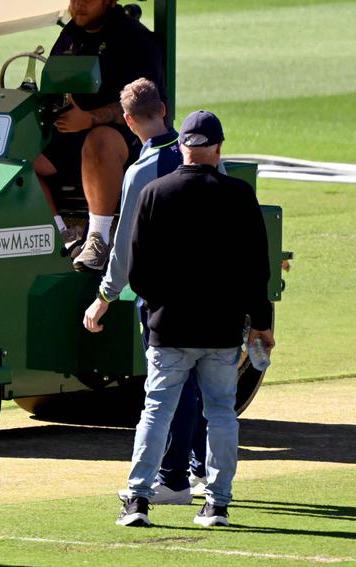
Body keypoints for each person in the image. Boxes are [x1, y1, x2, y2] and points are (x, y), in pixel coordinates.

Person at [115, 110, 274, 528]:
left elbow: (137, 273)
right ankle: (217, 504)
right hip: (221, 330)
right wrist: (261, 322)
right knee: (221, 413)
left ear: (183, 147)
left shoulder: (154, 192)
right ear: (218, 148)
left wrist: (160, 305)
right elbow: (257, 270)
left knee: (156, 411)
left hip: (168, 327)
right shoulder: (239, 196)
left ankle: (138, 500)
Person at [83, 78, 205, 506]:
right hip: (210, 290)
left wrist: (105, 296)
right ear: (165, 110)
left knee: (172, 387)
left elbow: (124, 245)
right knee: (203, 384)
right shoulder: (202, 157)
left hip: (163, 297)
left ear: (129, 120)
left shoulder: (141, 171)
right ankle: (200, 470)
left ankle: (173, 480)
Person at [35, 0, 165, 272]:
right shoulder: (71, 34)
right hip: (70, 134)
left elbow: (145, 106)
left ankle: (98, 239)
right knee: (17, 154)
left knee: (99, 140)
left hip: (122, 137)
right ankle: (63, 236)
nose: (78, 5)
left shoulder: (135, 39)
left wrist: (90, 118)